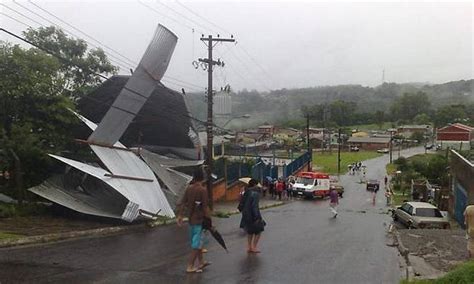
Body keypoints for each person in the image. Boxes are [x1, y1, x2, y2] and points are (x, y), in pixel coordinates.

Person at [177, 167, 212, 273]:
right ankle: (190, 266)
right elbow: (205, 208)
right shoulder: (203, 190)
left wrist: (180, 216)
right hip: (199, 221)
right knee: (196, 245)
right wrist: (210, 221)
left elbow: (183, 203)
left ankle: (201, 262)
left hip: (191, 220)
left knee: (197, 242)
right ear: (203, 177)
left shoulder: (189, 188)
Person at [240, 178, 265, 253]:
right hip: (252, 214)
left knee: (250, 231)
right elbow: (254, 206)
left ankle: (249, 247)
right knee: (259, 230)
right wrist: (257, 216)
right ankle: (254, 247)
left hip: (245, 214)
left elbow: (242, 203)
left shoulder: (247, 192)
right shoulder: (255, 193)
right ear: (255, 184)